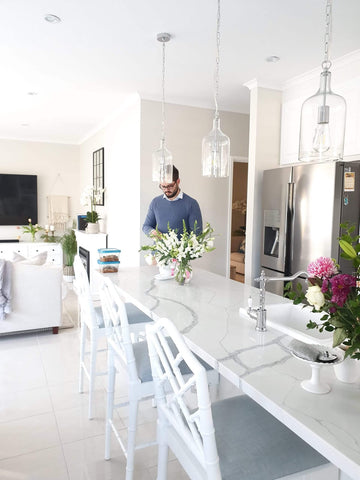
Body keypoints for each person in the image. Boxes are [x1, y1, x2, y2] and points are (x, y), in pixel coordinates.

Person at [142, 166, 203, 237]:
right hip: (159, 248)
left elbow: (197, 234)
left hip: (182, 248)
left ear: (178, 181)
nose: (166, 190)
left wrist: (180, 246)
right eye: (163, 186)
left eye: (170, 186)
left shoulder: (191, 204)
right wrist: (152, 232)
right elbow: (146, 226)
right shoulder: (155, 202)